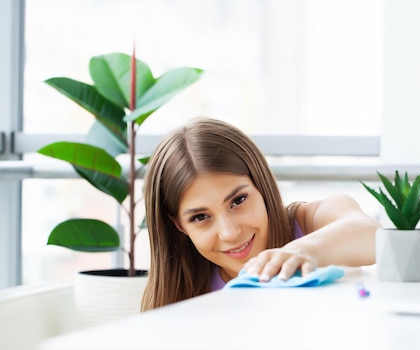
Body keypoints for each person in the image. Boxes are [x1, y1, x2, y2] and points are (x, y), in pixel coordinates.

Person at [141, 116, 380, 310]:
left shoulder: (309, 222)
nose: (230, 232)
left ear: (261, 185)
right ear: (179, 225)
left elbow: (372, 235)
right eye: (200, 217)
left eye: (238, 200)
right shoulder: (187, 295)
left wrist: (299, 253)